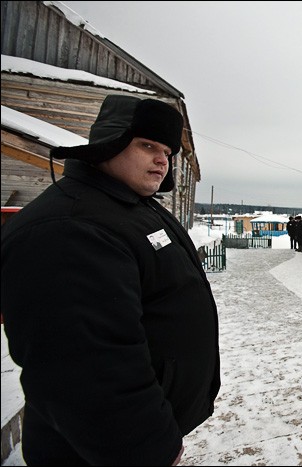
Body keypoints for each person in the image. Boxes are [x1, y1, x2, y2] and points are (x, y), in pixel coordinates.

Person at [1, 95, 221, 465]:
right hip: (100, 451)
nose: (162, 160)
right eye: (147, 146)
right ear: (110, 142)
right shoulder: (69, 228)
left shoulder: (127, 206)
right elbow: (86, 369)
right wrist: (149, 448)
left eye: (167, 152)